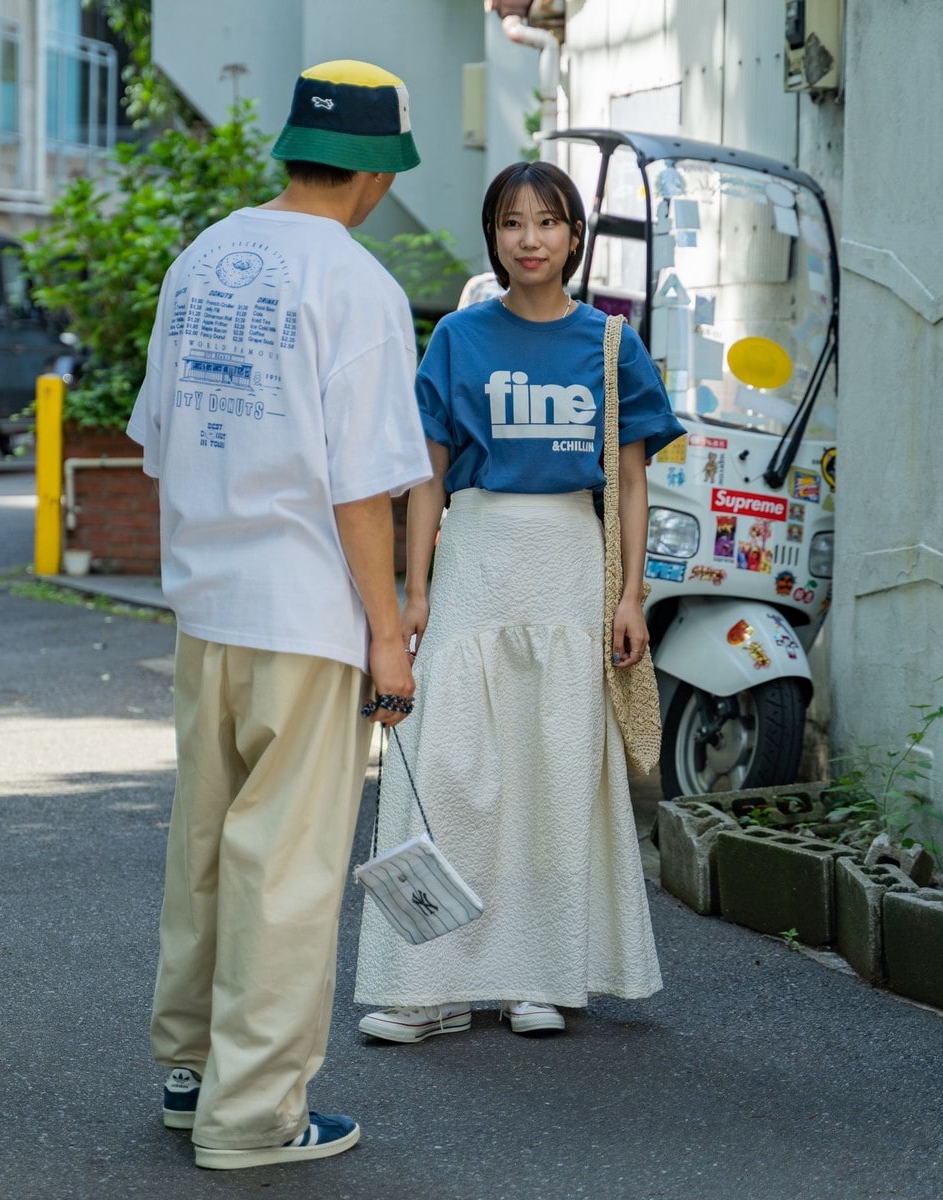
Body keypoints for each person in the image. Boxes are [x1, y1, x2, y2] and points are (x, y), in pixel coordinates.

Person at [126, 59, 432, 1169]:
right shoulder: (355, 285)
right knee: (286, 866)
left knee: (206, 844)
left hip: (207, 604)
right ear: (373, 172)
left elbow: (157, 440)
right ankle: (255, 1118)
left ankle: (193, 1068)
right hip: (305, 614)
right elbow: (364, 486)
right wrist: (389, 635)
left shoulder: (204, 255)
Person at [353, 160, 684, 1042]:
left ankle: (542, 975)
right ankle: (429, 985)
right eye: (511, 223)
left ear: (575, 236)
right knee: (452, 766)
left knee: (556, 768)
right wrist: (414, 590)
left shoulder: (612, 344)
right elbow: (426, 477)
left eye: (547, 222)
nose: (529, 239)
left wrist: (629, 594)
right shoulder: (459, 339)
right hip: (477, 554)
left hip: (570, 561)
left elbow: (632, 481)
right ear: (492, 238)